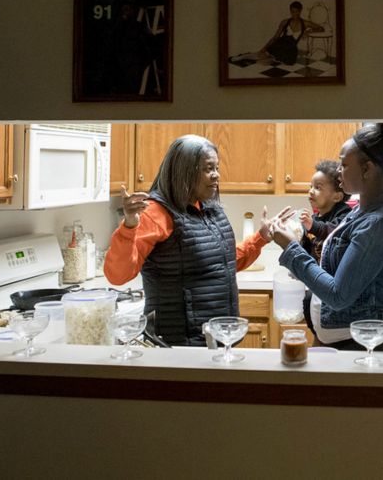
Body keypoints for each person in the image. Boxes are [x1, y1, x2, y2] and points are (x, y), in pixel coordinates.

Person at [104, 134, 291, 346]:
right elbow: (118, 275)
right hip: (180, 344)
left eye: (217, 168)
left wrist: (260, 238)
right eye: (208, 169)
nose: (216, 175)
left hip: (214, 340)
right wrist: (129, 226)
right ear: (184, 171)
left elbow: (224, 262)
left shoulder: (207, 208)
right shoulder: (155, 214)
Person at [272, 124, 383, 351]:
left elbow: (338, 295)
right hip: (342, 337)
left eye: (344, 165)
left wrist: (291, 248)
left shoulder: (378, 223)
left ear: (367, 169)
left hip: (362, 343)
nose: (338, 172)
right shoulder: (362, 210)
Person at [297, 159, 353, 330]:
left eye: (318, 187)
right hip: (317, 280)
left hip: (334, 282)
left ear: (337, 196)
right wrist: (297, 237)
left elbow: (333, 230)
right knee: (308, 301)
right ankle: (315, 331)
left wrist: (312, 226)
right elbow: (307, 248)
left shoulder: (345, 214)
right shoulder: (315, 219)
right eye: (310, 186)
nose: (311, 191)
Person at [258, 1, 324, 65]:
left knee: (290, 62)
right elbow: (275, 37)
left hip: (291, 47)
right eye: (292, 11)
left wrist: (308, 31)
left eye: (296, 11)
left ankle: (272, 57)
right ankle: (268, 55)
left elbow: (321, 28)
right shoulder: (285, 22)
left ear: (300, 11)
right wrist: (264, 48)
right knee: (263, 58)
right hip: (280, 44)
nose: (294, 14)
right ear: (290, 11)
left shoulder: (305, 23)